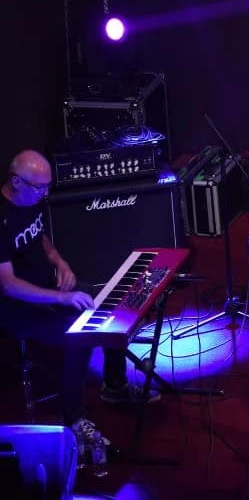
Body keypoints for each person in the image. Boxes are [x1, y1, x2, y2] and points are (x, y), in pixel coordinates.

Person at [0, 150, 154, 450]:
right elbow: (8, 285)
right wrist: (62, 297)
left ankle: (115, 385)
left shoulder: (29, 199)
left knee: (106, 305)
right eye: (40, 188)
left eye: (48, 187)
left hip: (46, 286)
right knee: (78, 336)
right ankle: (73, 418)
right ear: (17, 182)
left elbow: (39, 237)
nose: (45, 194)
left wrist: (61, 263)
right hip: (16, 307)